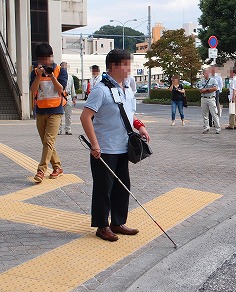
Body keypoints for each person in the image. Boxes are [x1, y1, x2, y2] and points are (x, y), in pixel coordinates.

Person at [80, 49, 150, 242]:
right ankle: (102, 226)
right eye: (126, 64)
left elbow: (129, 114)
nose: (130, 68)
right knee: (104, 189)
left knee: (122, 186)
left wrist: (140, 126)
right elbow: (85, 117)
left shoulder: (126, 89)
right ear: (114, 66)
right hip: (104, 149)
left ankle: (117, 222)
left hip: (122, 147)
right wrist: (94, 145)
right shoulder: (100, 90)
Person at [30, 42, 67, 184]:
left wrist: (51, 76)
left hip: (56, 110)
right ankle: (57, 167)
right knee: (46, 142)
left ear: (51, 57)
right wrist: (39, 76)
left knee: (49, 141)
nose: (45, 62)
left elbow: (60, 89)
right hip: (40, 110)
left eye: (47, 58)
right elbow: (33, 89)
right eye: (41, 59)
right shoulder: (34, 71)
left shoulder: (59, 70)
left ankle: (41, 170)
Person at [199, 68, 221, 134]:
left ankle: (218, 128)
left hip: (211, 98)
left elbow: (215, 88)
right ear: (203, 74)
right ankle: (206, 127)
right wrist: (210, 89)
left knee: (214, 113)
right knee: (205, 114)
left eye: (208, 73)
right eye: (205, 73)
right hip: (204, 98)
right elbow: (201, 90)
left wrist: (207, 89)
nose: (207, 74)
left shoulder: (213, 80)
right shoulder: (201, 82)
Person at [59, 62, 77, 135]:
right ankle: (58, 130)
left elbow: (73, 88)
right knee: (59, 115)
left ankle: (68, 129)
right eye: (63, 67)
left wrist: (74, 98)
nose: (64, 68)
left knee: (68, 115)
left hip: (68, 96)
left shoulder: (70, 77)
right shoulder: (58, 76)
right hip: (60, 97)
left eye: (65, 67)